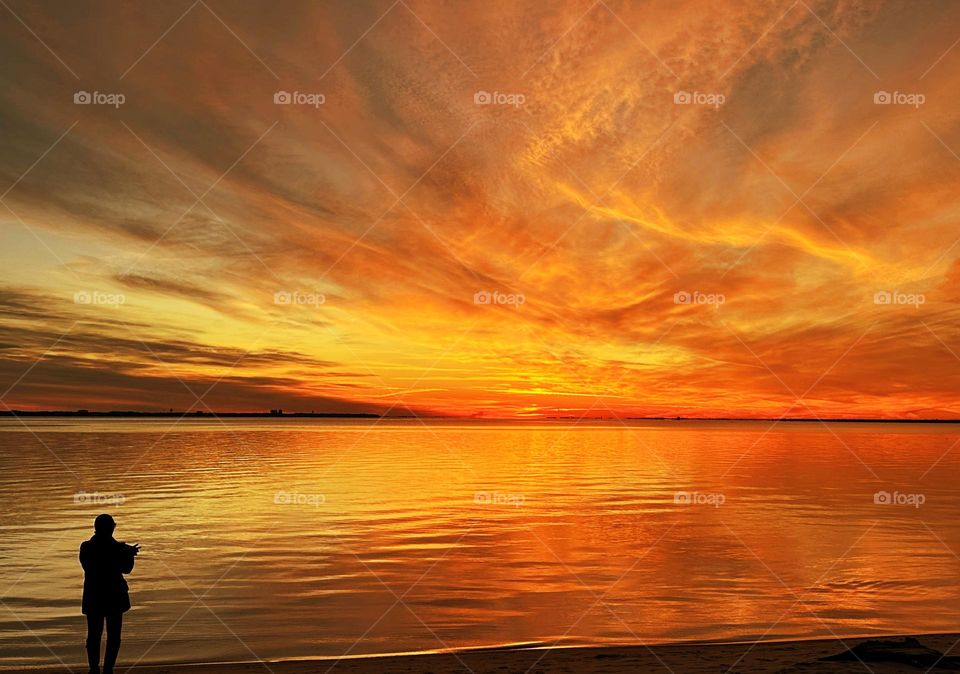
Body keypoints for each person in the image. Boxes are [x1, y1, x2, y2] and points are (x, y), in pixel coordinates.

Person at [79, 514, 140, 674]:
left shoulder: (86, 547)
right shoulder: (117, 548)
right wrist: (128, 554)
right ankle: (106, 670)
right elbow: (126, 569)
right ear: (112, 528)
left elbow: (93, 566)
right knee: (111, 636)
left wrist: (126, 553)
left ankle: (95, 669)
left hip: (94, 597)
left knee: (95, 635)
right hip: (113, 596)